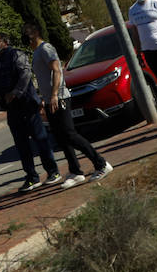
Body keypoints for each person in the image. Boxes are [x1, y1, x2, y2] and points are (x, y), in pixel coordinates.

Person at [23, 22, 111, 185]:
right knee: (61, 137)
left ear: (34, 35)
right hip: (50, 100)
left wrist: (55, 94)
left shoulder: (46, 49)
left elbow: (57, 70)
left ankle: (101, 164)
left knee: (70, 134)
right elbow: (43, 79)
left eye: (28, 37)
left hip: (60, 98)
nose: (27, 41)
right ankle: (75, 171)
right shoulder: (36, 52)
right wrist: (45, 98)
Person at [0, 31, 62, 192]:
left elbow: (25, 74)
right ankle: (31, 177)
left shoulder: (16, 55)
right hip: (12, 109)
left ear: (5, 42)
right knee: (21, 144)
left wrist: (15, 93)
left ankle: (53, 171)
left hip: (27, 104)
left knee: (40, 139)